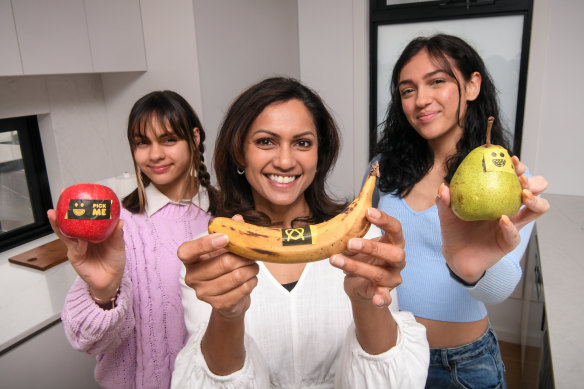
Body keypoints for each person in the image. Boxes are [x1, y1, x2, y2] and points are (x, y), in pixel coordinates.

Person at [171, 77, 429, 388]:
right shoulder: (212, 255)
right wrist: (227, 315)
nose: (284, 161)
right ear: (240, 153)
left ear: (320, 154)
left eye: (303, 143)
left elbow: (390, 381)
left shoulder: (362, 243)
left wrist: (365, 303)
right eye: (266, 141)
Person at [372, 34, 550, 388]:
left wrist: (472, 270)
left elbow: (498, 289)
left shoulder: (508, 181)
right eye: (407, 90)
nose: (421, 100)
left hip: (459, 365)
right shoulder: (383, 168)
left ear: (472, 85)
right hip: (389, 350)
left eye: (437, 82)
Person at [47, 90, 217, 388]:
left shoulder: (226, 218)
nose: (154, 155)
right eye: (142, 143)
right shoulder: (118, 226)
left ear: (194, 138)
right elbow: (86, 340)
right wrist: (103, 293)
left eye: (168, 140)